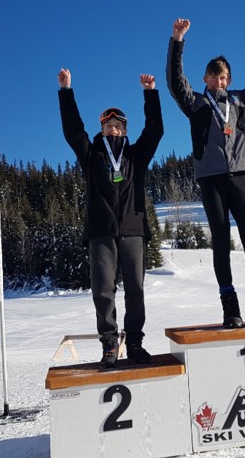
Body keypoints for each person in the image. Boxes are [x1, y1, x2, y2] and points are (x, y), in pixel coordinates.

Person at [166, 18, 245, 329]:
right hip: (212, 181)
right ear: (205, 78)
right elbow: (175, 82)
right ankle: (229, 307)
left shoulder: (241, 102)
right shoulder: (196, 104)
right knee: (221, 242)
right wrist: (178, 40)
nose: (220, 80)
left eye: (225, 77)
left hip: (242, 178)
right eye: (215, 76)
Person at [58, 68, 164, 370]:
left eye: (118, 126)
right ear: (102, 130)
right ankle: (109, 346)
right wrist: (66, 91)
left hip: (132, 229)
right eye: (109, 126)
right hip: (101, 231)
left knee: (136, 290)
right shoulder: (91, 156)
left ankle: (134, 344)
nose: (114, 130)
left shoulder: (136, 156)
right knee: (103, 290)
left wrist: (150, 94)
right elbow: (72, 130)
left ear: (125, 130)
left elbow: (155, 130)